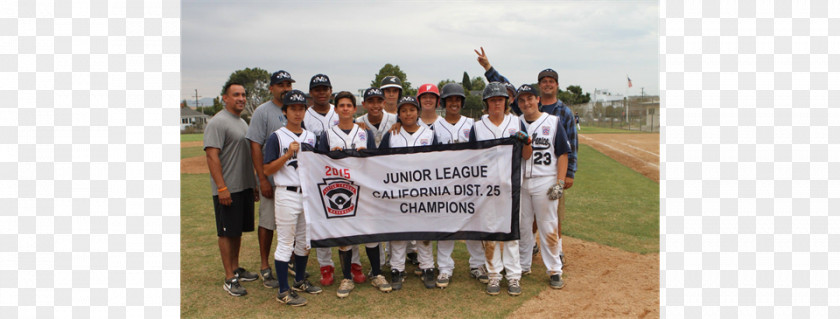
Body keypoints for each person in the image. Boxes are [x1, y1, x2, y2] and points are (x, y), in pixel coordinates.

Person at [316, 91, 391, 298]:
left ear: (355, 108)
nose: (346, 109)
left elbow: (374, 162)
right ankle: (346, 277)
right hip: (340, 191)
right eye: (342, 105)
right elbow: (320, 164)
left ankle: (376, 274)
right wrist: (333, 156)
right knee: (345, 236)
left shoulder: (364, 133)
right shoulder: (328, 134)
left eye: (349, 105)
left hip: (364, 191)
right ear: (336, 108)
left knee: (370, 233)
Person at [303, 74, 366, 286]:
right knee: (324, 224)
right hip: (324, 181)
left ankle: (355, 264)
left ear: (330, 91)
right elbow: (316, 154)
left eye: (325, 88)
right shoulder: (306, 115)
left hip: (352, 182)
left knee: (351, 225)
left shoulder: (356, 126)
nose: (321, 92)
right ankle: (325, 266)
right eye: (317, 89)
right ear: (311, 92)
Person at [468, 82, 531, 296]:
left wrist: (528, 142)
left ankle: (513, 276)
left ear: (507, 101)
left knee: (512, 232)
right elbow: (471, 160)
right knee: (491, 232)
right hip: (487, 188)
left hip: (512, 186)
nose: (497, 103)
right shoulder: (478, 127)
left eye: (500, 99)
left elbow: (527, 155)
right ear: (486, 103)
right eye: (493, 100)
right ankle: (494, 274)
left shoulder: (517, 122)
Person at [262, 89, 322, 306]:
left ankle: (299, 280)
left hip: (307, 194)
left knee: (304, 242)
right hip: (286, 192)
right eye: (293, 109)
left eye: (301, 108)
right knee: (286, 242)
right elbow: (267, 169)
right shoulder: (277, 137)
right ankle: (284, 291)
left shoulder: (311, 137)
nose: (297, 113)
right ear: (285, 111)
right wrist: (287, 155)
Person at [426, 83, 488, 288]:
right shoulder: (434, 128)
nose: (454, 103)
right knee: (446, 225)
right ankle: (444, 267)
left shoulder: (474, 125)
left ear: (462, 102)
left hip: (469, 184)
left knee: (473, 224)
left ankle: (477, 264)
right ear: (443, 102)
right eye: (450, 99)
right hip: (444, 185)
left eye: (458, 99)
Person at [204, 81, 260, 297]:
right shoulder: (217, 122)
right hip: (228, 188)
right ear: (224, 98)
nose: (241, 98)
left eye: (243, 94)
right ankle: (229, 278)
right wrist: (221, 187)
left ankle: (236, 268)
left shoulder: (242, 122)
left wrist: (253, 183)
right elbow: (211, 155)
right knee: (226, 232)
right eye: (235, 94)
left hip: (243, 186)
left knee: (236, 231)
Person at [379, 96, 438, 291]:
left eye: (411, 109)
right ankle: (397, 268)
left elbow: (439, 162)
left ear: (418, 112)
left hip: (423, 191)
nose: (408, 114)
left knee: (424, 231)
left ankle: (428, 266)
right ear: (399, 114)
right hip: (398, 191)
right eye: (403, 110)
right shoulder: (392, 134)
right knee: (398, 231)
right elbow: (379, 162)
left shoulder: (429, 134)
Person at [514, 84, 571, 289]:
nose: (526, 103)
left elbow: (563, 153)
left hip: (545, 179)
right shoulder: (515, 123)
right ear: (518, 103)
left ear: (538, 99)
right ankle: (523, 264)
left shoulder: (553, 122)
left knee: (548, 225)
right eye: (522, 100)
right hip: (521, 181)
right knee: (523, 225)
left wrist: (560, 182)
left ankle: (555, 269)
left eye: (530, 98)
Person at [244, 70, 293, 289]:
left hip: (291, 179)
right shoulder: (263, 112)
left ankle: (290, 262)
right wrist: (262, 179)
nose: (285, 88)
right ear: (271, 88)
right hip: (271, 178)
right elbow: (255, 146)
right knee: (267, 223)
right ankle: (265, 266)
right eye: (280, 85)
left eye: (288, 85)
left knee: (291, 224)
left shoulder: (296, 109)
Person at [534, 68, 578, 267]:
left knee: (554, 214)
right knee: (531, 214)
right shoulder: (531, 106)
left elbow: (572, 145)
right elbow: (507, 91)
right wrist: (489, 70)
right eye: (544, 81)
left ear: (557, 85)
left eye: (551, 81)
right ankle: (530, 245)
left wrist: (569, 174)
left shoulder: (564, 112)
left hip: (555, 172)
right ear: (539, 86)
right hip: (531, 171)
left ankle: (557, 249)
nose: (548, 84)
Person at [474, 47, 522, 115]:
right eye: (503, 95)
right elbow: (500, 83)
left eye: (508, 96)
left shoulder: (518, 120)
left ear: (513, 99)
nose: (506, 98)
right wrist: (487, 66)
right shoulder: (483, 120)